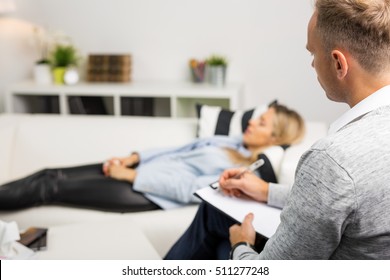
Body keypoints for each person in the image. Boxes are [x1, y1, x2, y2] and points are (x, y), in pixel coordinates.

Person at [165, 0, 390, 260]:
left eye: (312, 53)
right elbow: (342, 203)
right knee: (215, 218)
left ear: (339, 64)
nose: (312, 64)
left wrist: (241, 244)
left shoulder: (333, 161)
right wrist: (264, 191)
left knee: (222, 238)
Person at [0, 103, 305, 213]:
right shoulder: (231, 142)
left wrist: (132, 176)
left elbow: (191, 190)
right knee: (49, 173)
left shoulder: (242, 170)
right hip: (139, 170)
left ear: (275, 139)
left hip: (145, 190)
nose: (251, 122)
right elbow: (178, 150)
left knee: (51, 187)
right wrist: (133, 158)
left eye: (262, 123)